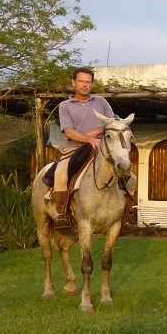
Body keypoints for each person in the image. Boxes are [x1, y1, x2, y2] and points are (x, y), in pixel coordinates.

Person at [43, 67, 117, 229]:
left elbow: (113, 124)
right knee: (61, 174)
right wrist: (87, 139)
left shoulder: (101, 101)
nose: (84, 85)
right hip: (74, 149)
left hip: (100, 148)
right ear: (73, 82)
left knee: (128, 174)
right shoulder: (65, 105)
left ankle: (125, 215)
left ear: (92, 84)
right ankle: (62, 213)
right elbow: (68, 131)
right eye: (81, 81)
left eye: (88, 82)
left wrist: (96, 132)